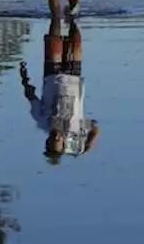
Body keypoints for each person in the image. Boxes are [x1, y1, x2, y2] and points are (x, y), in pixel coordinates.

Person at [19, 17, 100, 163]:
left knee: (54, 39)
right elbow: (95, 128)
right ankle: (73, 15)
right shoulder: (77, 130)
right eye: (59, 140)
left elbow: (31, 97)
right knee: (76, 39)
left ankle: (56, 13)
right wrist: (87, 146)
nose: (56, 136)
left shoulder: (42, 120)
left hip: (52, 75)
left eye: (52, 139)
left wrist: (24, 79)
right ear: (64, 143)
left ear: (47, 141)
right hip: (74, 78)